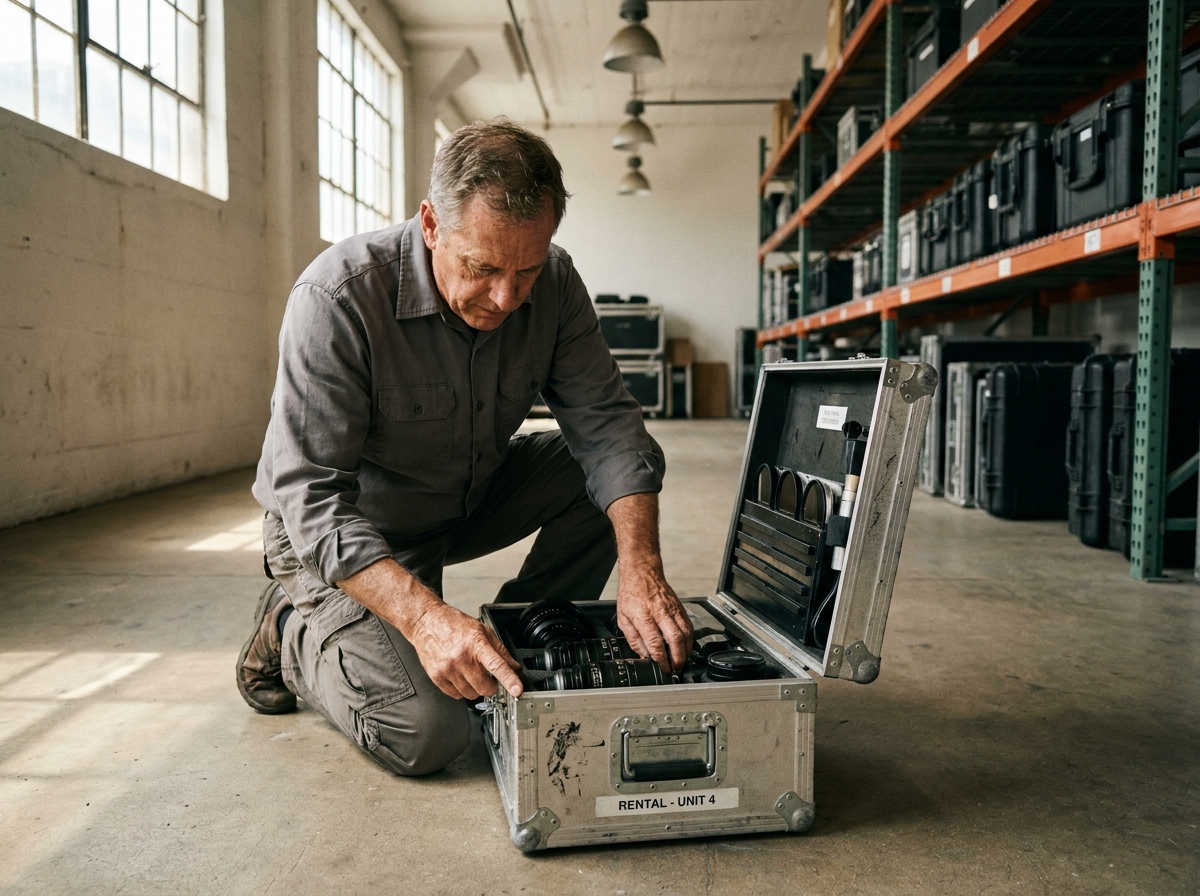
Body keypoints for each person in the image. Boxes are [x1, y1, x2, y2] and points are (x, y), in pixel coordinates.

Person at [236, 119, 693, 776]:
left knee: (610, 469)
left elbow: (610, 430)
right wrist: (426, 621)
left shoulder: (555, 283)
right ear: (430, 225)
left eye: (525, 270)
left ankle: (519, 635)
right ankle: (290, 633)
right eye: (482, 268)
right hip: (345, 533)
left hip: (462, 498)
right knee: (427, 733)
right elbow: (310, 498)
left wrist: (641, 569)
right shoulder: (337, 296)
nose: (506, 298)